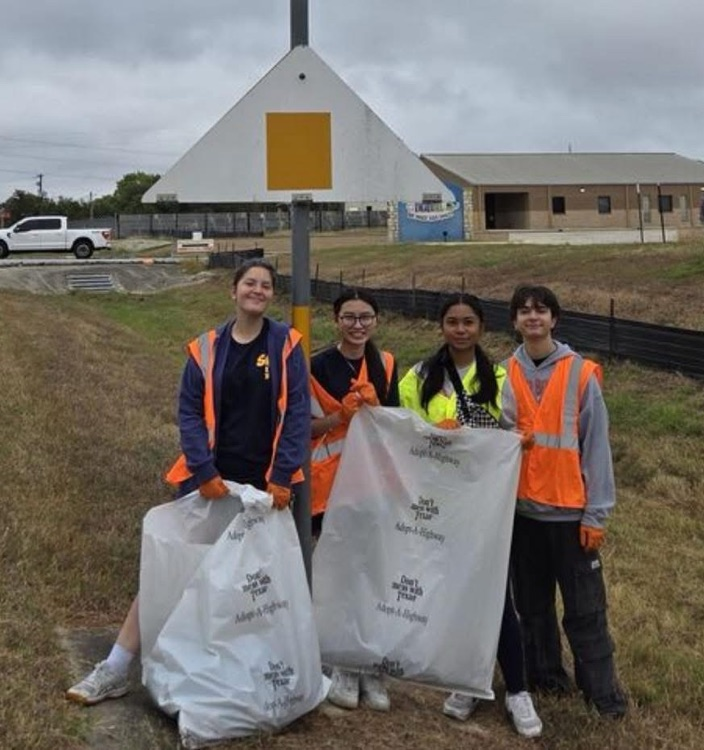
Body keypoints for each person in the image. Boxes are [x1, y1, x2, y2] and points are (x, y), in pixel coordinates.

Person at [66, 259, 310, 705]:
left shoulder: (287, 345)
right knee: (174, 573)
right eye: (249, 283)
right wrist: (204, 472)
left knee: (254, 586)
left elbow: (296, 414)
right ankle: (117, 666)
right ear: (233, 292)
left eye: (266, 285)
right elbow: (190, 414)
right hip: (210, 484)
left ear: (271, 295)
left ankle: (241, 675)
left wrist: (280, 477)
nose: (257, 290)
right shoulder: (205, 348)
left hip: (263, 492)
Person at [399, 293, 543, 739]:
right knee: (458, 593)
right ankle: (468, 679)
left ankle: (517, 690)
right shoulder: (418, 377)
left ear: (481, 327)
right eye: (452, 322)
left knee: (497, 596)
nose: (460, 330)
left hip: (487, 502)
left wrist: (521, 441)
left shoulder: (501, 377)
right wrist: (429, 433)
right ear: (441, 326)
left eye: (469, 322)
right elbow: (402, 436)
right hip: (440, 502)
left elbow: (512, 431)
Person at [503, 284, 628, 719]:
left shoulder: (580, 373)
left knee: (585, 613)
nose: (532, 318)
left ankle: (603, 697)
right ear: (515, 322)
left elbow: (596, 449)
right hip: (523, 516)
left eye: (541, 311)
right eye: (524, 311)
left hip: (570, 516)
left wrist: (596, 513)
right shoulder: (507, 374)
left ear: (554, 319)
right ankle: (547, 680)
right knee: (533, 608)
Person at [310, 288, 399, 712]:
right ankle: (343, 663)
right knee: (340, 576)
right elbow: (302, 428)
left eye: (365, 317)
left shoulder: (386, 365)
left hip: (373, 487)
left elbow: (398, 426)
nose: (358, 324)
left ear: (376, 321)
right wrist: (339, 417)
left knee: (372, 575)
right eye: (349, 316)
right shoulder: (315, 366)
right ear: (336, 319)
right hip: (331, 489)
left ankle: (371, 666)